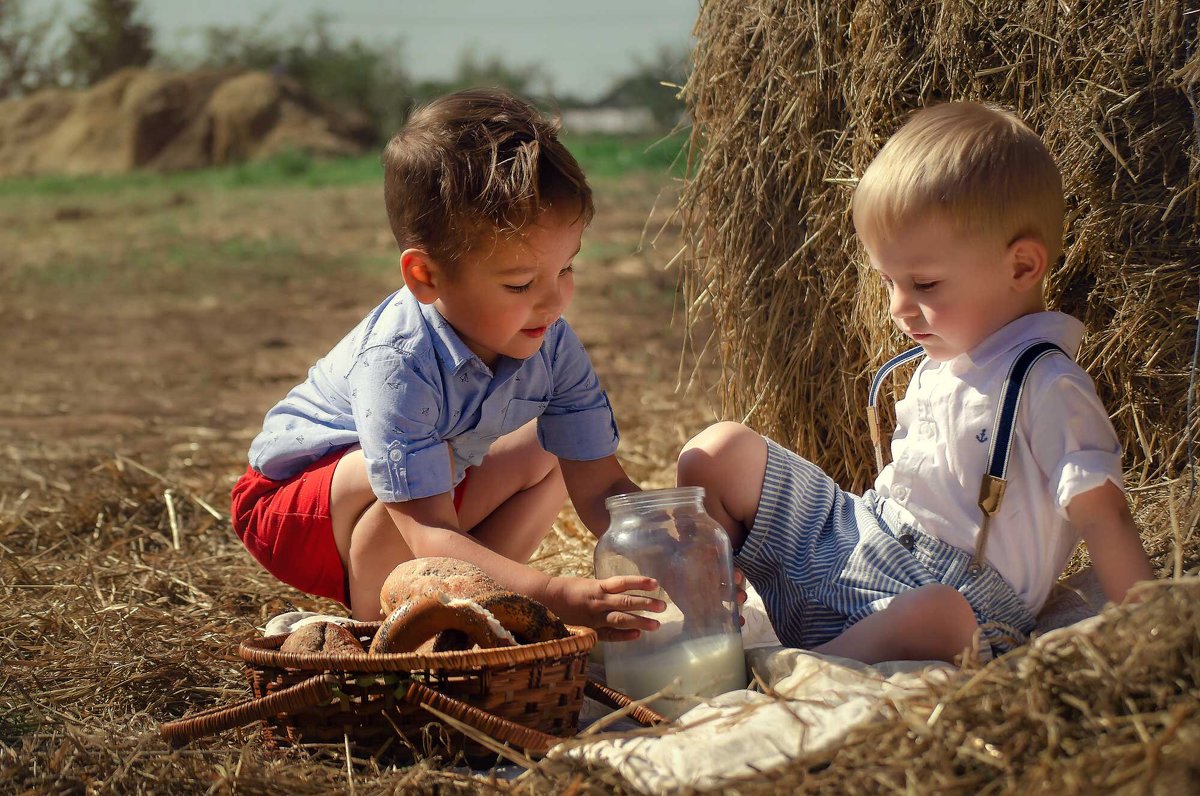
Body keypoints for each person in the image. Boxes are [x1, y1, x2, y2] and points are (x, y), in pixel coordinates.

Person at [676, 102, 1153, 664]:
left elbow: (1103, 514)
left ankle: (805, 667)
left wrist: (1150, 636)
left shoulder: (1045, 383)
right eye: (888, 281)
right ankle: (711, 619)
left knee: (941, 615)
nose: (899, 308)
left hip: (947, 596)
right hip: (856, 536)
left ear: (1022, 267)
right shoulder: (941, 360)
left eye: (924, 283)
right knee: (719, 450)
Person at [231, 88, 663, 639]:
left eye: (566, 270)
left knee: (555, 446)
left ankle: (470, 613)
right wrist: (557, 596)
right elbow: (430, 534)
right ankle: (386, 611)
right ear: (426, 277)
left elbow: (602, 484)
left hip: (432, 484)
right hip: (295, 509)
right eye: (520, 283)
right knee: (427, 466)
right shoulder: (398, 362)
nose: (554, 302)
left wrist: (683, 554)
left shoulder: (551, 341)